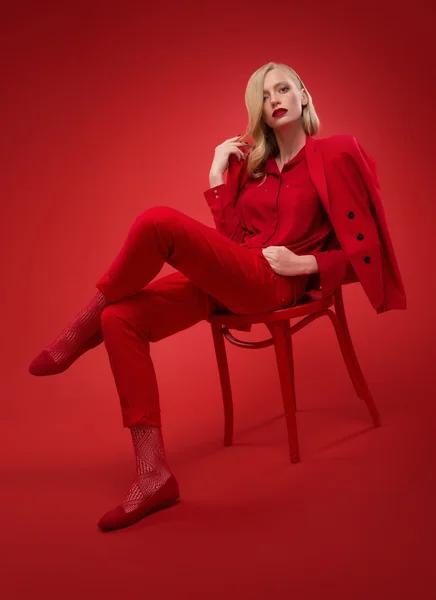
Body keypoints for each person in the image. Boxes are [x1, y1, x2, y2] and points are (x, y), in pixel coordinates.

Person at [28, 61, 406, 531]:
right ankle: (153, 474)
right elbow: (229, 241)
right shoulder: (254, 167)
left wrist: (307, 264)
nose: (275, 101)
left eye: (283, 89)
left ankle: (78, 327)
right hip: (238, 275)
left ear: (304, 95)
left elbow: (372, 251)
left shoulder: (337, 154)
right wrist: (215, 176)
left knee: (156, 221)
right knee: (120, 321)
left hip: (275, 282)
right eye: (264, 97)